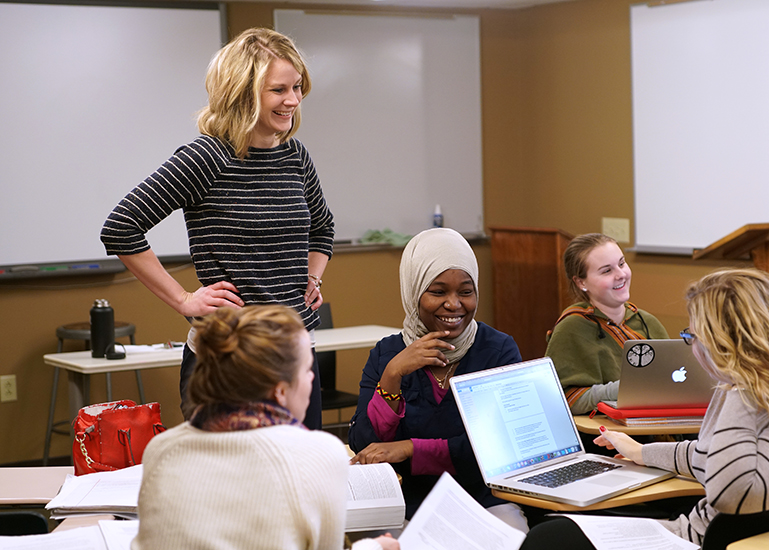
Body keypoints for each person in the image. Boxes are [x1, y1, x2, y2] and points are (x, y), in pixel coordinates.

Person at [520, 268, 769, 549]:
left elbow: (730, 494)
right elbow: (713, 457)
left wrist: (738, 385)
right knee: (553, 531)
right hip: (702, 533)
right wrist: (642, 452)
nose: (692, 348)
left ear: (721, 343)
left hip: (703, 542)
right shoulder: (758, 388)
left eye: (693, 337)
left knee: (549, 538)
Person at [100, 28, 334, 428]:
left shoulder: (295, 155)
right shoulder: (206, 156)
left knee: (296, 482)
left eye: (297, 87)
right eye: (279, 90)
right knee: (231, 486)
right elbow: (121, 226)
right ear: (243, 92)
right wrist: (183, 300)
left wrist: (312, 276)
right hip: (228, 360)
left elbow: (322, 227)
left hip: (294, 356)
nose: (293, 100)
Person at [133, 305, 398, 550]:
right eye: (307, 369)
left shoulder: (162, 446)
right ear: (280, 390)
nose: (312, 377)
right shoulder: (319, 453)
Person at [347, 228, 528, 531]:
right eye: (439, 291)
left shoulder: (498, 350)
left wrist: (409, 449)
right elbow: (365, 446)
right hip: (407, 502)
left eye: (466, 292)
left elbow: (497, 449)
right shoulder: (387, 354)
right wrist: (392, 375)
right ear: (414, 292)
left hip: (483, 499)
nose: (455, 304)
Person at [545, 233, 668, 415]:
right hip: (602, 438)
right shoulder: (571, 328)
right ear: (581, 282)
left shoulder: (647, 322)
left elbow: (673, 381)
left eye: (621, 263)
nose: (621, 275)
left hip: (658, 430)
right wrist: (623, 389)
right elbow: (562, 401)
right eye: (606, 271)